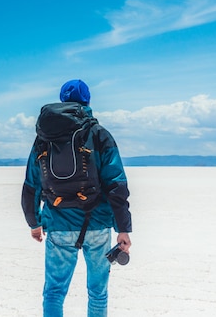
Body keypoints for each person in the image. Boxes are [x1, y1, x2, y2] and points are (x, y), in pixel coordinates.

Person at [21, 79, 132, 317]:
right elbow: (117, 185)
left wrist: (34, 223)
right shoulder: (99, 134)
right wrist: (123, 228)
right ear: (88, 101)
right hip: (98, 224)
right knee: (98, 292)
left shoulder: (43, 138)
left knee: (54, 292)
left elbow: (32, 185)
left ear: (62, 101)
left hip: (58, 224)